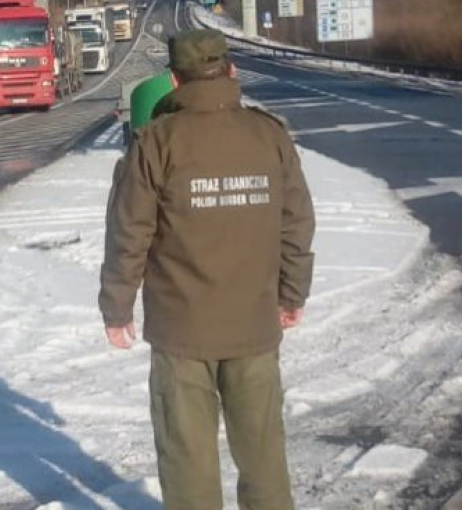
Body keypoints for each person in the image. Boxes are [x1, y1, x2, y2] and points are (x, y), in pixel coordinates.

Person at [98, 29, 315, 510]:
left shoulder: (157, 142)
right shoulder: (269, 135)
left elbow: (129, 232)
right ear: (231, 70)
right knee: (264, 461)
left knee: (188, 465)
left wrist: (117, 309)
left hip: (181, 335)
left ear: (174, 79)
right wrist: (292, 294)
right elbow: (296, 223)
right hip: (253, 327)